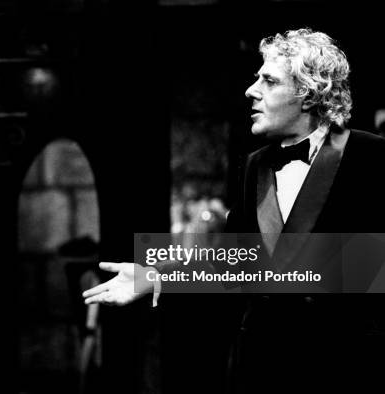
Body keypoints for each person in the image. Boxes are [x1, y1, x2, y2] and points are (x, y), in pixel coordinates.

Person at [83, 28, 385, 393]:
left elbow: (371, 264)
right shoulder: (254, 166)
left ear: (307, 94)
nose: (251, 90)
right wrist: (155, 276)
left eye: (268, 81)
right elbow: (235, 261)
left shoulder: (371, 156)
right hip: (260, 366)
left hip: (342, 365)